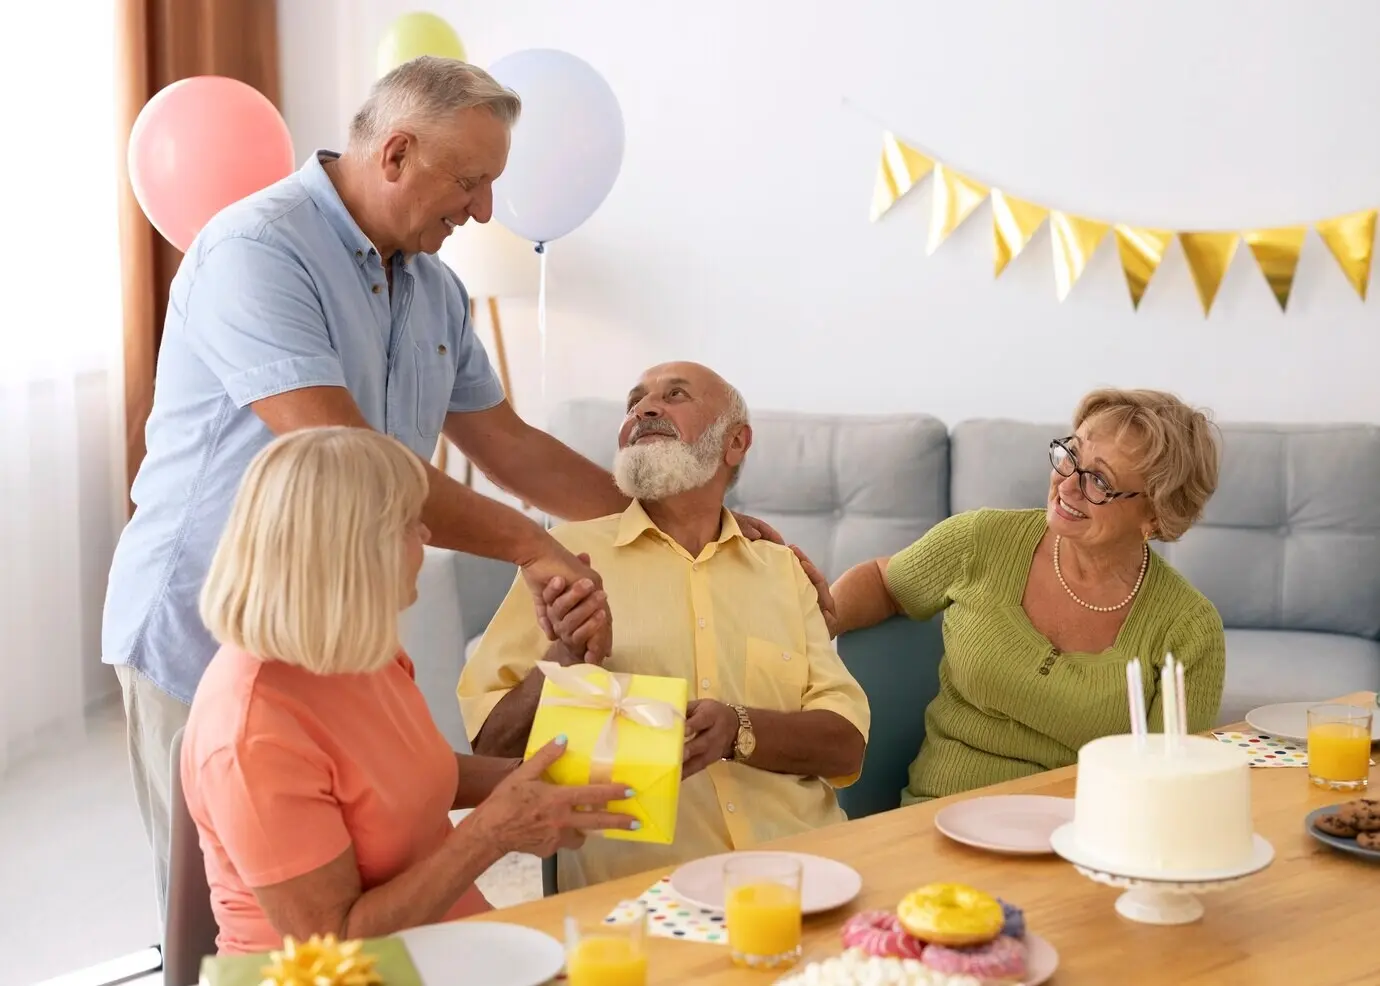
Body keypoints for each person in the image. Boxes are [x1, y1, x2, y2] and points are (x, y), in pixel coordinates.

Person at [102, 57, 803, 910]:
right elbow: (346, 454)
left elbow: (509, 446)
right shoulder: (257, 250)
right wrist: (534, 544)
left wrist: (681, 519)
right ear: (395, 154)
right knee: (233, 917)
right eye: (471, 181)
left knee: (370, 883)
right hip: (207, 626)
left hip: (345, 631)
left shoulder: (435, 291)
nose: (484, 210)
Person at [181, 427, 639, 954]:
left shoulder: (356, 650)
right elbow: (334, 943)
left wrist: (558, 778)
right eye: (405, 522)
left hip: (452, 942)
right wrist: (490, 834)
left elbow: (405, 773)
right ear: (351, 552)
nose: (424, 534)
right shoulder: (251, 732)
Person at [458, 362, 871, 891]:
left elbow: (845, 744)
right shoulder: (565, 558)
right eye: (634, 401)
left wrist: (739, 729)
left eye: (675, 395)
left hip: (803, 867)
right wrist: (564, 658)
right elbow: (490, 745)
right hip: (645, 892)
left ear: (736, 442)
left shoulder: (782, 570)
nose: (644, 408)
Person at [830, 388, 1225, 804]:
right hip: (939, 815)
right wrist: (808, 626)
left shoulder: (1188, 628)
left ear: (1156, 515)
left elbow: (1168, 787)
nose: (1067, 486)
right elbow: (885, 583)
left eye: (1100, 481)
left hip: (1084, 840)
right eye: (1070, 456)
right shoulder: (979, 539)